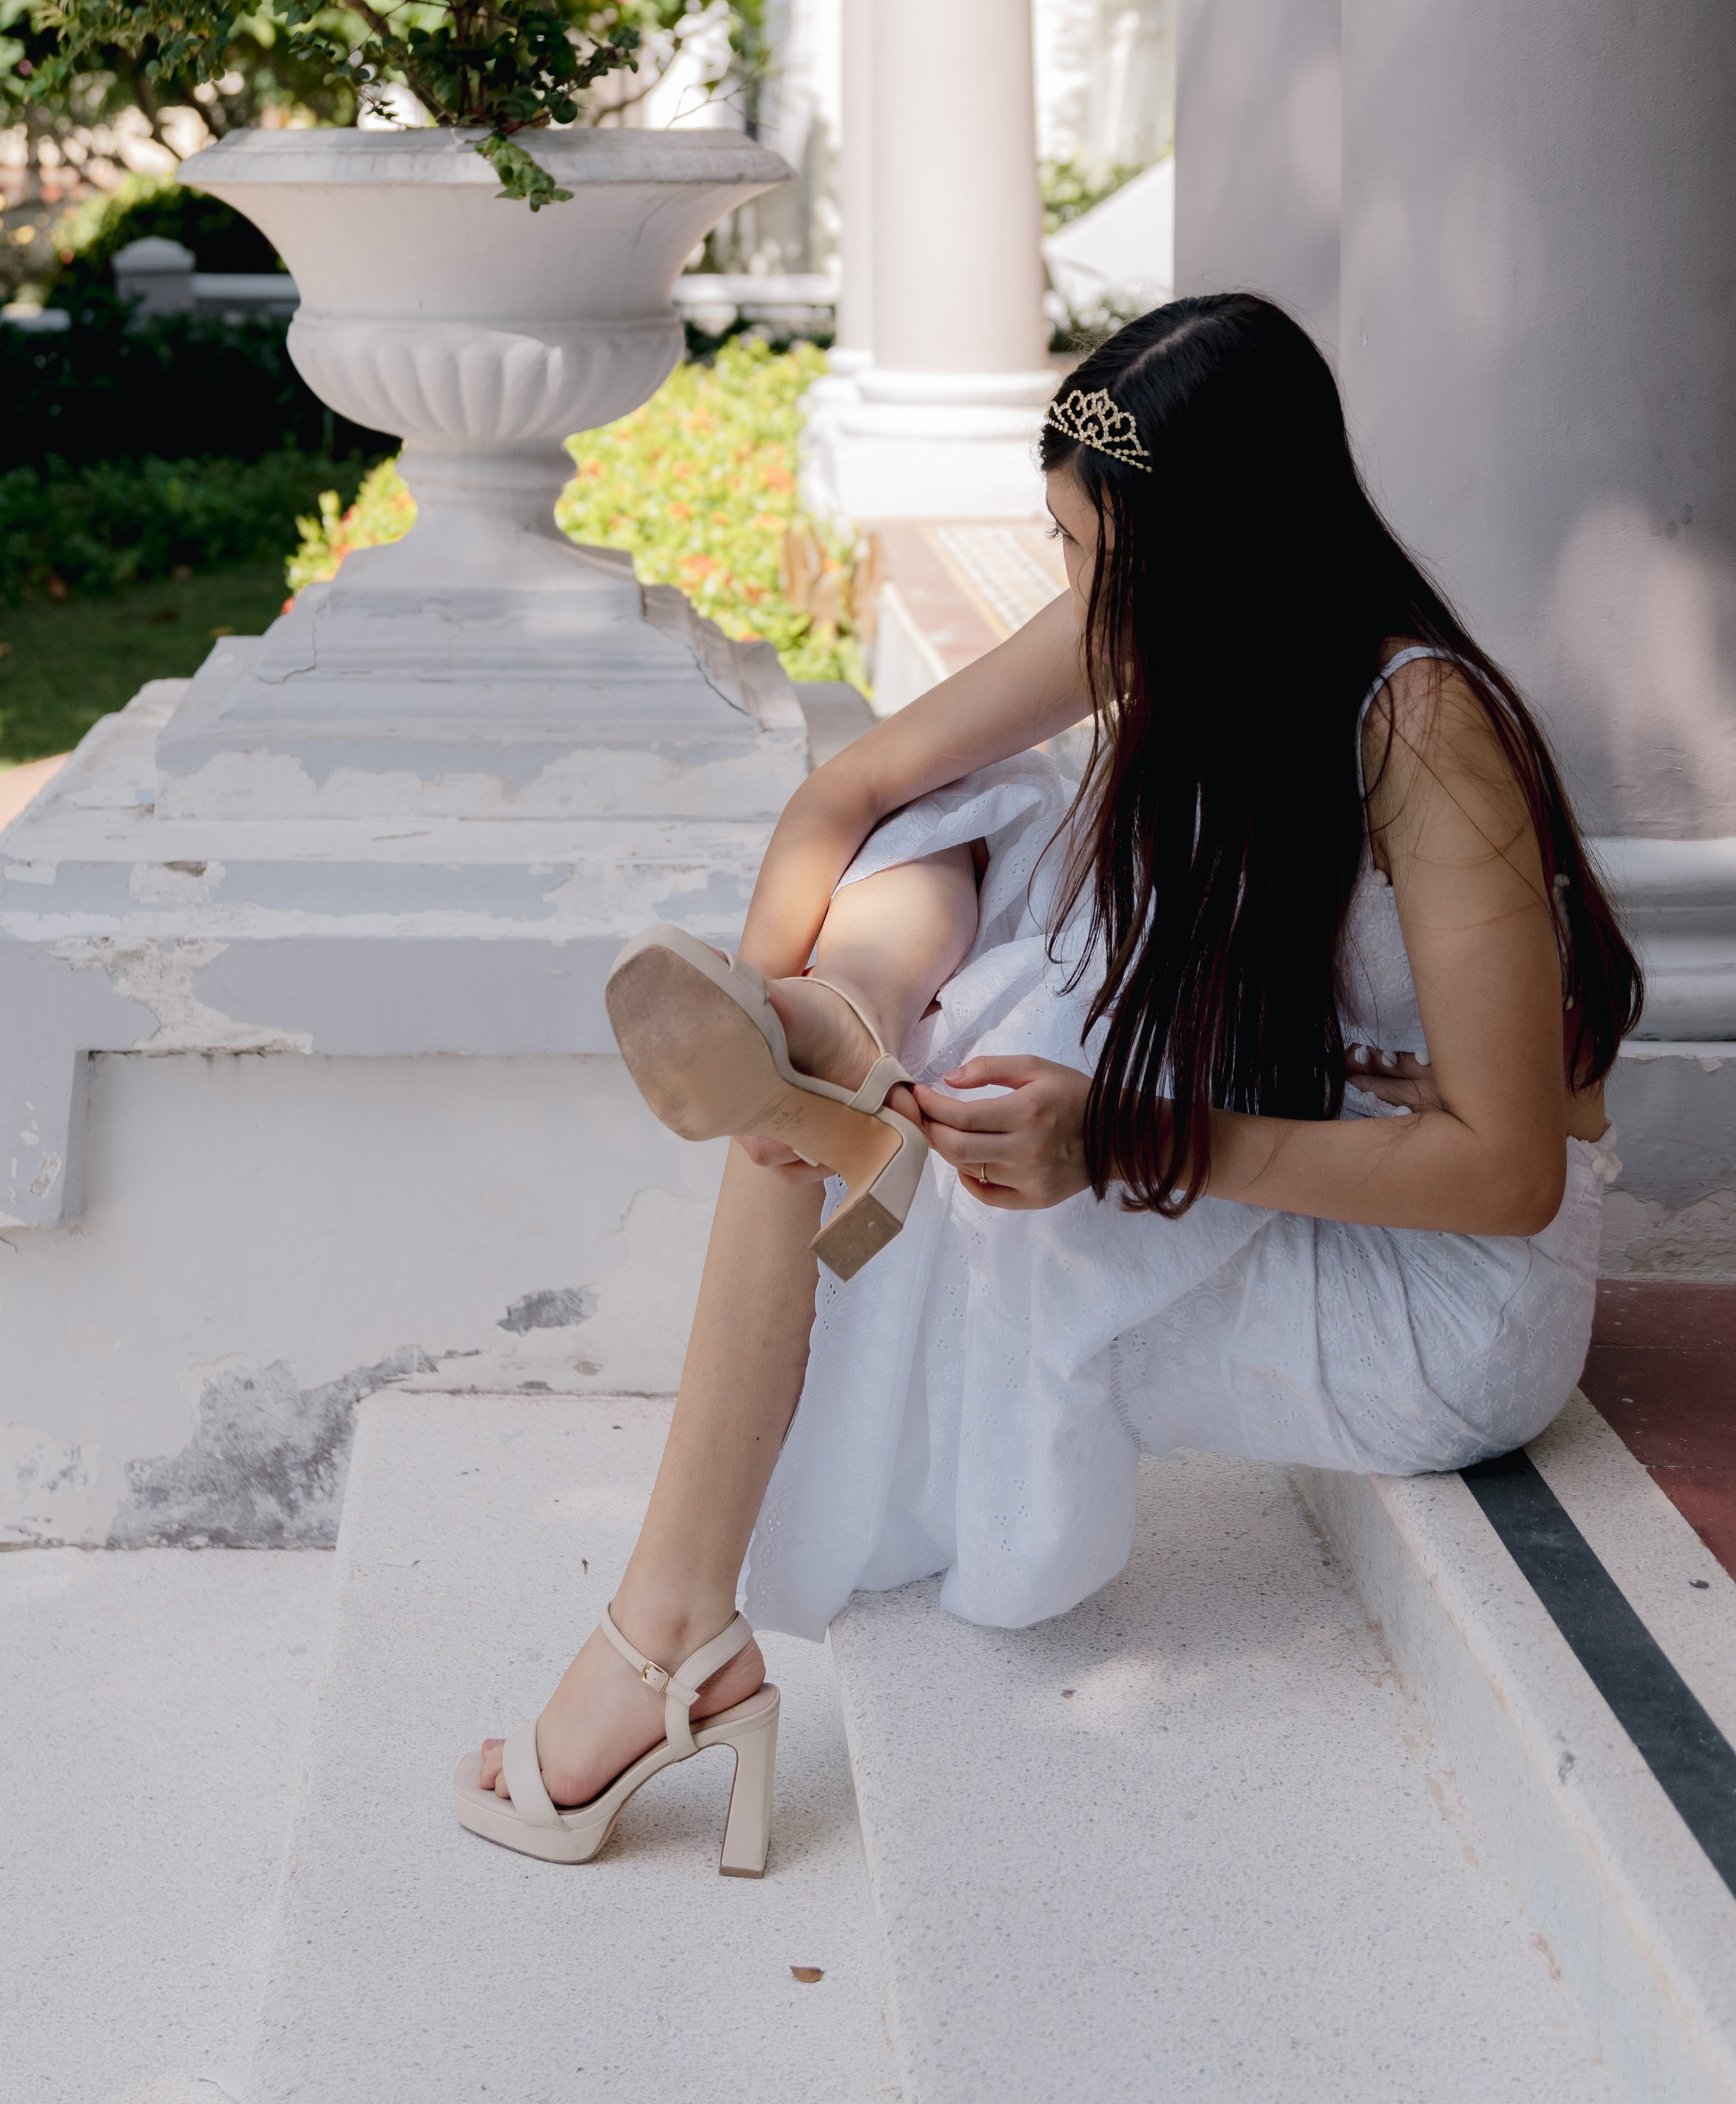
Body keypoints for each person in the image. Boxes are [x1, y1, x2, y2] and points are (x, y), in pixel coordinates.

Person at [454, 291, 1641, 1872]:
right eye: (1064, 545)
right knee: (968, 808)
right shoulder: (1155, 600)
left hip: (1440, 1298)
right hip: (1307, 1133)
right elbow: (853, 790)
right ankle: (825, 1032)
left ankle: (667, 1626)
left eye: (1100, 560)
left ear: (1223, 549)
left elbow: (1508, 1176)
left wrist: (1127, 1141)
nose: (1078, 598)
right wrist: (769, 1005)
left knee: (1020, 1043)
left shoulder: (1421, 725)